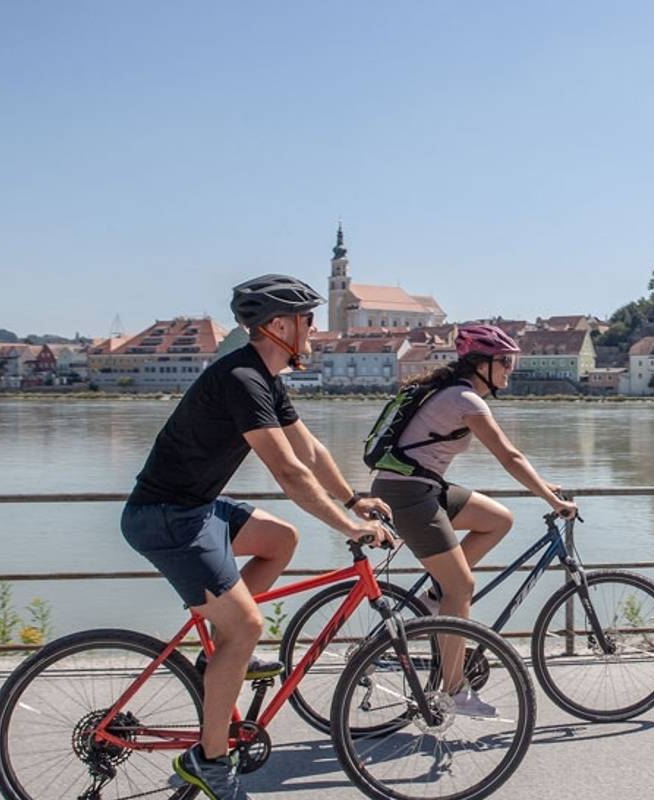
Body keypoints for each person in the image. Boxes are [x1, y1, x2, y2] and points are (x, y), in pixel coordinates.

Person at [120, 274, 393, 800]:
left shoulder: (266, 379)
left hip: (194, 509)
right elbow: (289, 474)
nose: (314, 328)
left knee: (280, 540)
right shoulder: (241, 379)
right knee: (246, 625)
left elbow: (309, 450)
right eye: (308, 320)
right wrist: (351, 528)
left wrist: (352, 499)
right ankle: (211, 760)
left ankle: (219, 656)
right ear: (279, 326)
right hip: (166, 517)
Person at [368, 323, 578, 712]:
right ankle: (452, 689)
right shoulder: (465, 400)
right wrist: (552, 499)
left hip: (424, 486)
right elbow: (509, 456)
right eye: (506, 362)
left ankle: (434, 599)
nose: (511, 370)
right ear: (483, 364)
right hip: (407, 495)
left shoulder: (454, 393)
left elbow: (509, 459)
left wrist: (543, 485)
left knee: (497, 519)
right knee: (462, 587)